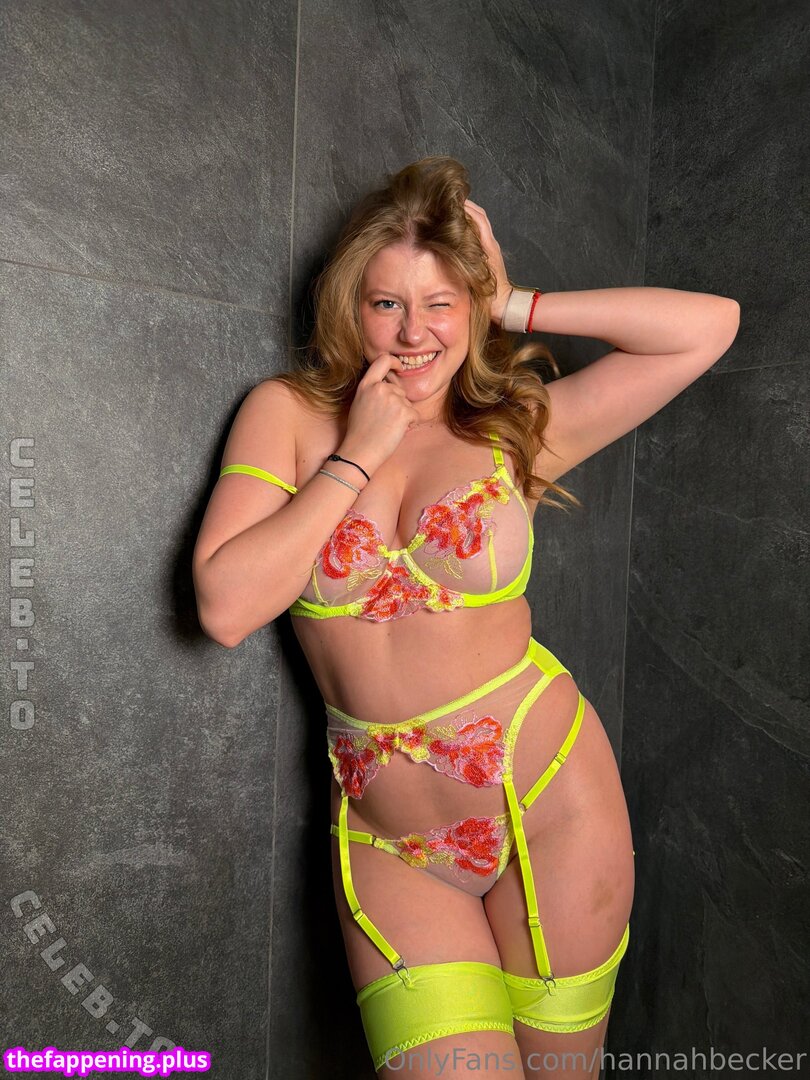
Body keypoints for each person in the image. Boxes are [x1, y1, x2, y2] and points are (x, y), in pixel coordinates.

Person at [192, 157, 740, 1078]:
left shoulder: (512, 429)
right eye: (387, 304)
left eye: (440, 304)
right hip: (391, 843)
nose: (415, 333)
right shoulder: (285, 415)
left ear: (470, 309)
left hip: (550, 804)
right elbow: (225, 605)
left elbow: (708, 327)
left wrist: (514, 301)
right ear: (352, 305)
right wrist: (358, 455)